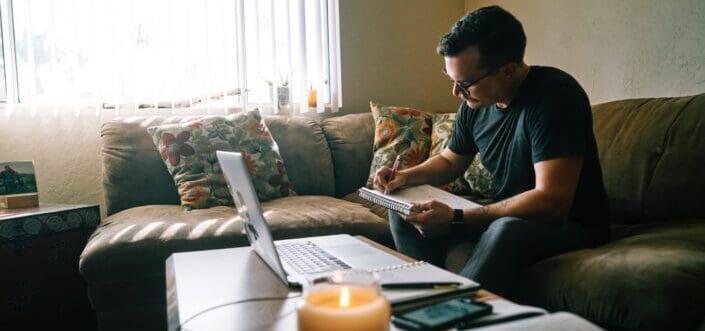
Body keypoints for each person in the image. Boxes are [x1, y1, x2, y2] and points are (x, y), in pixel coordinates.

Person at [373, 5, 610, 297]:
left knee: (506, 230)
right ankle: (424, 298)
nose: (456, 93)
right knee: (405, 209)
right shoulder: (475, 104)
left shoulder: (556, 97)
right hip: (507, 213)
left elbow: (553, 200)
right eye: (452, 81)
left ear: (508, 70)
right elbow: (450, 161)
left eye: (465, 83)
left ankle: (453, 312)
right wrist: (404, 178)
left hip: (568, 224)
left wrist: (458, 218)